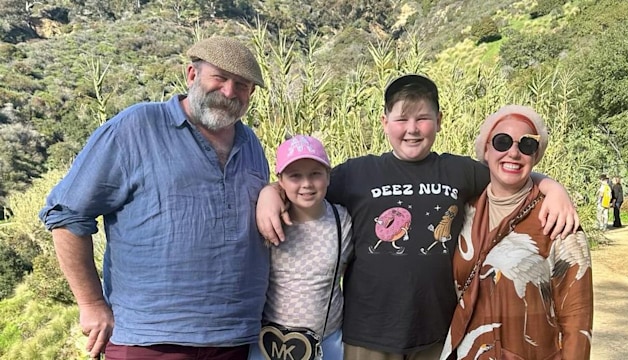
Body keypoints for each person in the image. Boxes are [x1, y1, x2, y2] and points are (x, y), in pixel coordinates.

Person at [256, 74, 580, 360]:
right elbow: (305, 183)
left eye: (422, 118)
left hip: (436, 332)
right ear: (384, 122)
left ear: (439, 120)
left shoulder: (458, 170)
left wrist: (553, 188)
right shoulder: (356, 173)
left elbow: (508, 174)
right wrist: (271, 193)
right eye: (402, 119)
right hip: (368, 334)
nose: (412, 129)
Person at [39, 36, 270, 360]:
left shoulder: (251, 144)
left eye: (242, 84)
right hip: (148, 342)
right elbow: (66, 213)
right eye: (219, 78)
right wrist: (90, 304)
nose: (229, 92)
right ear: (192, 75)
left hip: (234, 341)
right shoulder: (135, 128)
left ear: (251, 94)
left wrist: (272, 192)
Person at [440, 105, 593, 360]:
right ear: (486, 150)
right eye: (502, 142)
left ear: (536, 156)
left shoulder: (557, 218)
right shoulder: (463, 210)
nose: (513, 152)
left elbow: (578, 315)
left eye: (526, 145)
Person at [248, 135, 353, 360]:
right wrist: (268, 193)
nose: (306, 184)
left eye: (315, 173)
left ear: (328, 175)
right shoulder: (268, 218)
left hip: (326, 342)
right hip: (269, 344)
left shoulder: (342, 220)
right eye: (295, 176)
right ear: (281, 181)